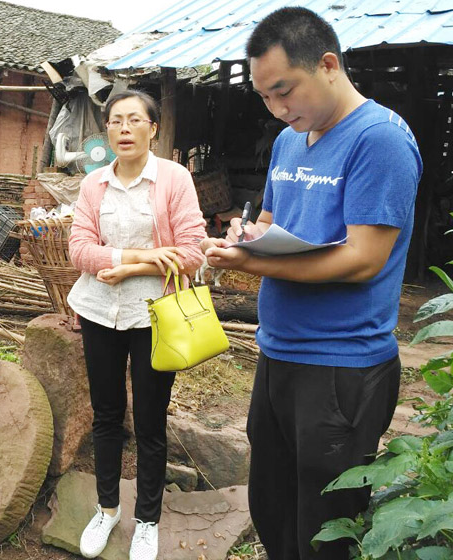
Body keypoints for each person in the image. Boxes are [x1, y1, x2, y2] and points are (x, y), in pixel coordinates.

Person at [200, 8, 422, 559]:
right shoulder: (288, 141)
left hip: (342, 364)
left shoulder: (379, 139)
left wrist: (252, 265)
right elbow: (272, 222)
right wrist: (245, 238)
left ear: (327, 65)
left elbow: (362, 259)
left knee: (324, 530)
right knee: (273, 510)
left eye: (284, 91)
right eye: (264, 97)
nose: (277, 109)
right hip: (278, 352)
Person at [67, 89, 206, 560]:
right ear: (107, 131)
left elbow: (191, 251)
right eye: (115, 121)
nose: (124, 129)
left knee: (149, 420)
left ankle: (147, 519)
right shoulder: (94, 184)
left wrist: (129, 270)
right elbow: (79, 250)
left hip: (155, 315)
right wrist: (142, 255)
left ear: (153, 128)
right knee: (106, 415)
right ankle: (107, 509)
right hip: (98, 312)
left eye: (134, 120)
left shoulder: (174, 179)